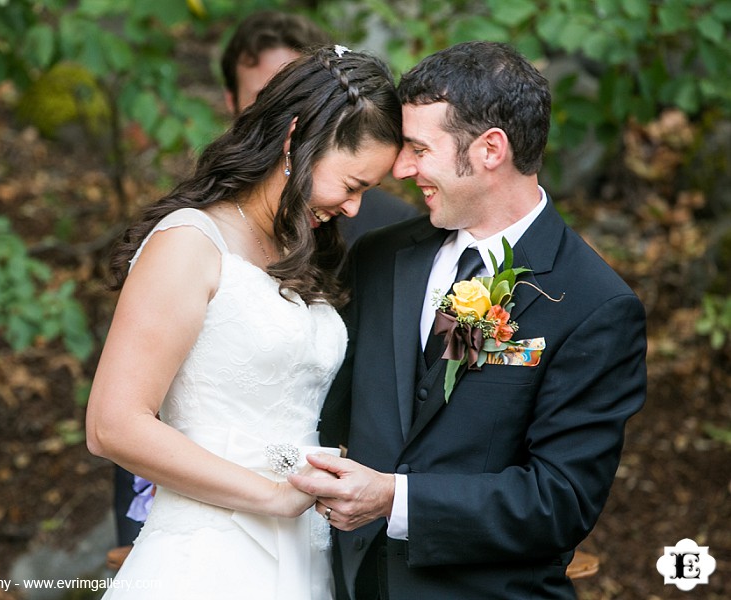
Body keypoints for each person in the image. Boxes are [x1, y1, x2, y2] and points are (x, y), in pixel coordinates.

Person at [289, 41, 648, 599]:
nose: (403, 169)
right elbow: (325, 409)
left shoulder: (593, 305)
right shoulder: (379, 257)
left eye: (419, 148)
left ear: (489, 150)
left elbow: (561, 501)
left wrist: (395, 499)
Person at [86, 46, 403, 599]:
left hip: (304, 552)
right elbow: (113, 425)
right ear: (295, 140)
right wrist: (272, 495)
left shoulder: (300, 249)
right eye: (351, 185)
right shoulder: (190, 242)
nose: (354, 209)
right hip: (209, 556)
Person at [220, 10, 419, 247]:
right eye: (267, 93)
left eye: (300, 90)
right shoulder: (199, 230)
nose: (281, 105)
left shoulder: (390, 221)